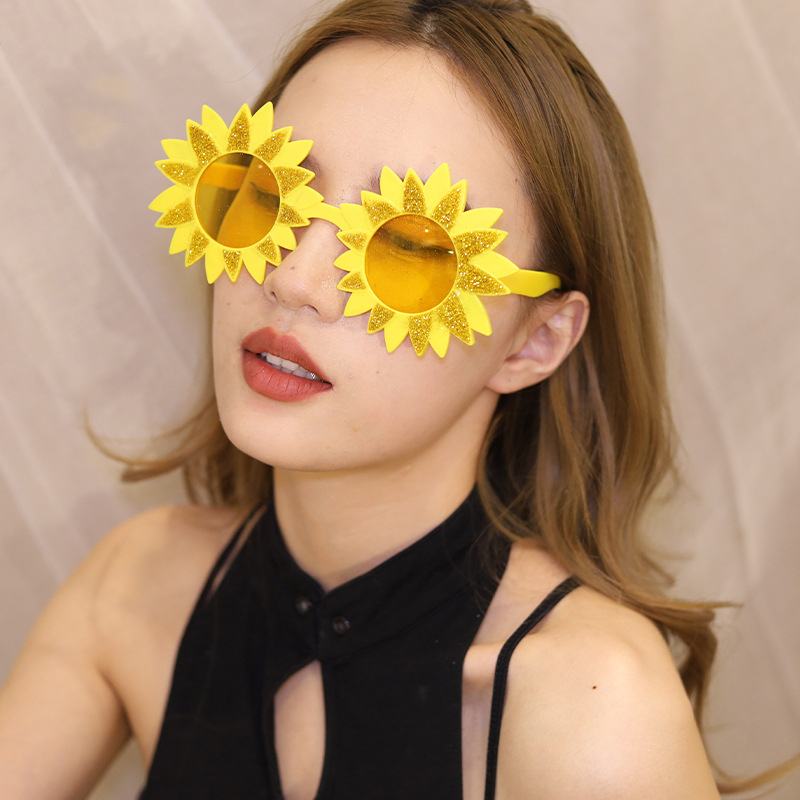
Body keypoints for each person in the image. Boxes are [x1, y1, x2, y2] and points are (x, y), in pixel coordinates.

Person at [0, 0, 733, 797]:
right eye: (271, 194)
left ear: (535, 341)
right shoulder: (139, 588)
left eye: (407, 247)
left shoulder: (595, 707)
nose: (293, 279)